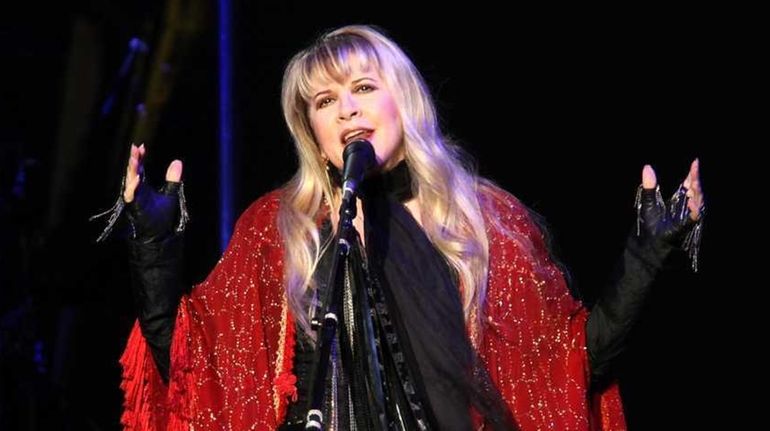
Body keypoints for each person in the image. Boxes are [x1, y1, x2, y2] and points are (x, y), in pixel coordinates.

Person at [96, 25, 705, 430]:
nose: (348, 109)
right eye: (324, 100)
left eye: (363, 87)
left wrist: (646, 253)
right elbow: (195, 369)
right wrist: (154, 247)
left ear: (401, 102)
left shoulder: (484, 220)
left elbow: (571, 365)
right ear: (311, 128)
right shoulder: (275, 228)